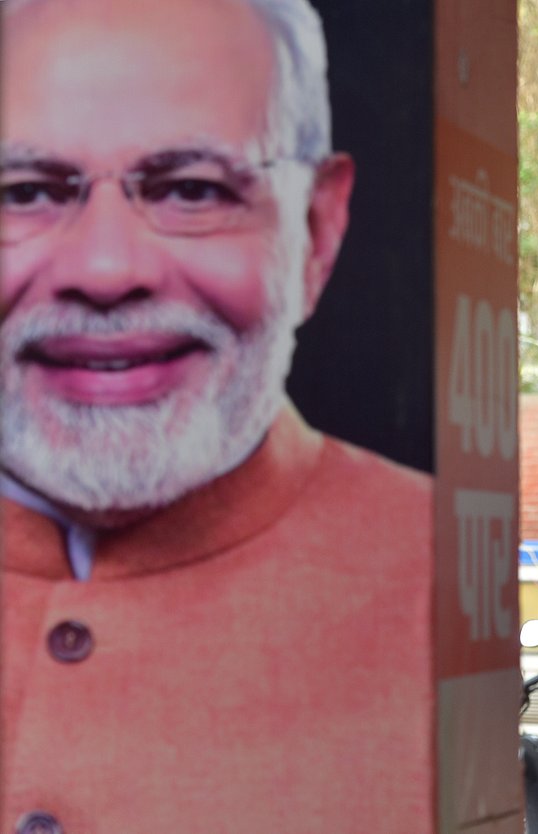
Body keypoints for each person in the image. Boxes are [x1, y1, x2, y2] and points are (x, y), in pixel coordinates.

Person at [0, 0, 432, 830]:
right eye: (25, 191)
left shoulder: (447, 580)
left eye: (191, 189)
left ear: (317, 228)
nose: (104, 268)